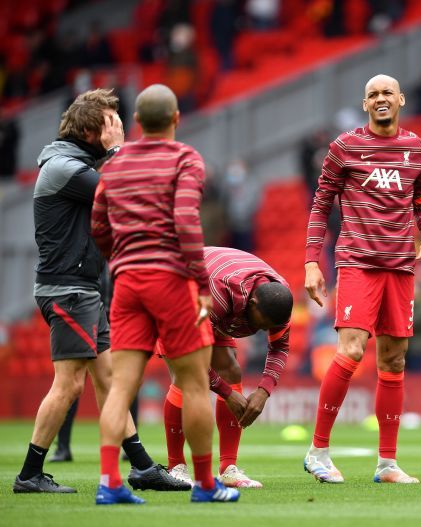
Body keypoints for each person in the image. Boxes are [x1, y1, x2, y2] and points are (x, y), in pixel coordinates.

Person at [13, 89, 185, 494]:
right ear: (93, 130)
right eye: (113, 124)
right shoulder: (62, 167)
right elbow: (122, 193)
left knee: (110, 381)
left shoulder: (78, 162)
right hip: (68, 288)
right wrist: (118, 150)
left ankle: (141, 467)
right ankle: (29, 474)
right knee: (69, 384)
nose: (121, 131)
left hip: (83, 288)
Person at [91, 84, 239, 505]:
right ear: (176, 119)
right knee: (193, 383)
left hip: (127, 282)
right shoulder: (185, 158)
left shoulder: (113, 167)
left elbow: (98, 226)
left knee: (121, 386)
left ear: (136, 123)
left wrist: (119, 260)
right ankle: (207, 485)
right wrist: (202, 284)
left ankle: (109, 483)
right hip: (171, 280)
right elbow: (187, 222)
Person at [303, 74, 421, 484]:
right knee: (351, 349)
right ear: (365, 104)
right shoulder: (344, 148)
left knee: (393, 360)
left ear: (400, 99)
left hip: (400, 266)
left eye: (387, 93)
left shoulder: (417, 149)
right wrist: (312, 261)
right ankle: (318, 451)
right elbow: (319, 206)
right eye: (373, 95)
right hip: (358, 261)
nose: (381, 99)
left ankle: (387, 464)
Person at [163, 246, 293, 488]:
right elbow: (187, 356)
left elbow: (280, 348)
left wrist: (264, 391)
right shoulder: (219, 294)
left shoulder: (277, 299)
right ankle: (175, 467)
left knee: (231, 370)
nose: (263, 331)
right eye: (261, 324)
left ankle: (228, 468)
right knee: (185, 377)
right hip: (179, 290)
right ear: (252, 304)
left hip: (217, 306)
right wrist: (227, 393)